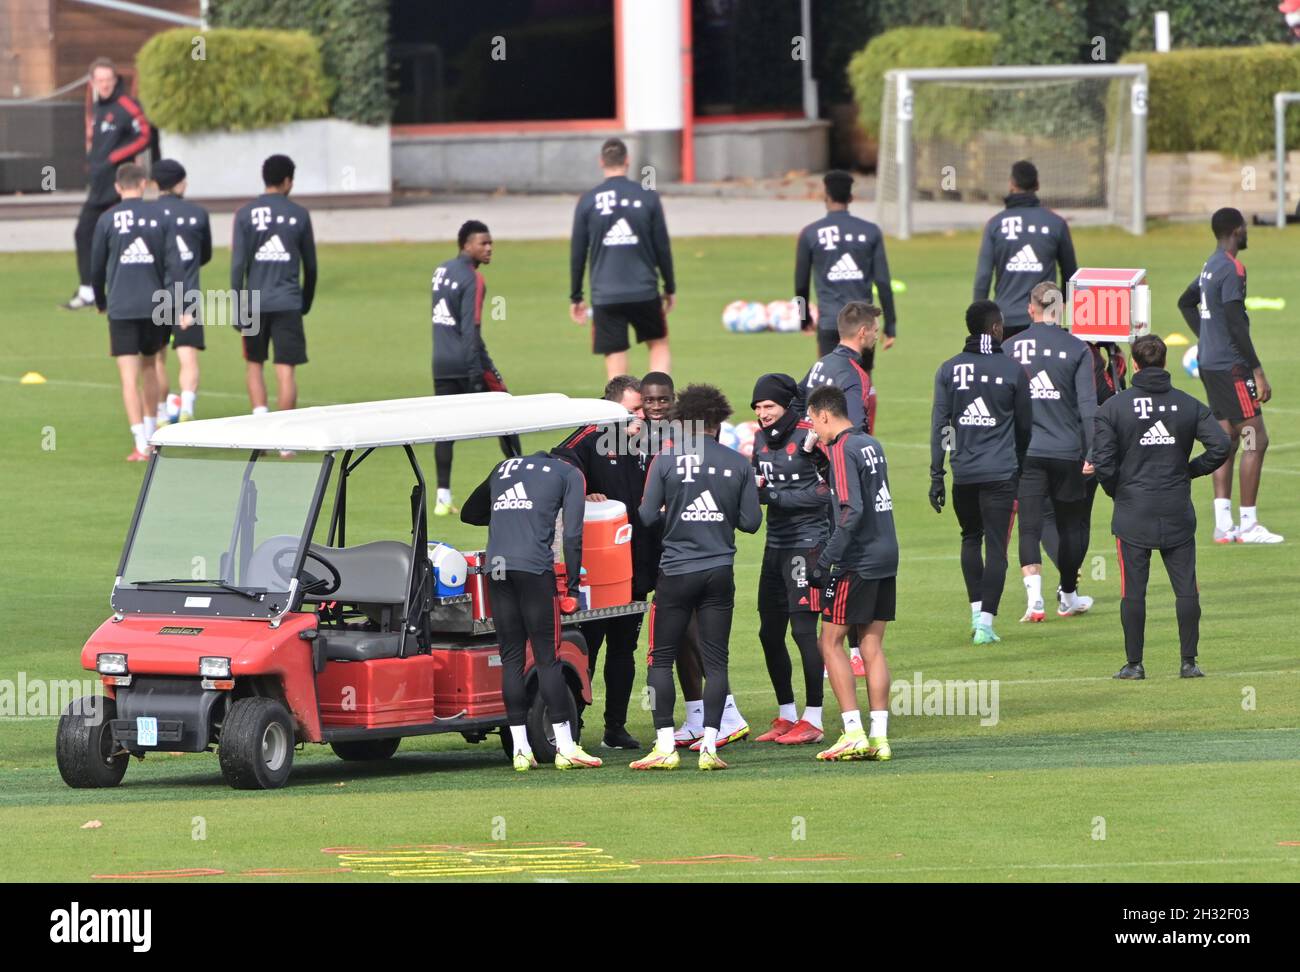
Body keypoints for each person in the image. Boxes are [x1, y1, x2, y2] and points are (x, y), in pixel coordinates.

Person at [632, 384, 762, 771]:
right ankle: (709, 746)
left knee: (661, 658)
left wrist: (676, 510)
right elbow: (752, 522)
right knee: (717, 661)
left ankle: (664, 746)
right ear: (719, 422)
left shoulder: (667, 461)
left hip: (676, 570)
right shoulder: (738, 462)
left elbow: (646, 516)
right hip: (719, 572)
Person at [1092, 336, 1231, 679]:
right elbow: (1222, 445)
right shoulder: (1188, 404)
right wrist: (1189, 471)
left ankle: (1135, 665)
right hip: (1176, 509)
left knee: (1133, 592)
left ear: (1135, 365)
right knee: (1186, 589)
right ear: (1166, 362)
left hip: (1132, 511)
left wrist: (1118, 491)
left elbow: (1103, 464)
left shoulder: (1113, 408)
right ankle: (1189, 663)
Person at [460, 452, 603, 770]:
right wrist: (573, 589)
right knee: (547, 657)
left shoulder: (503, 467)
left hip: (496, 570)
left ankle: (521, 750)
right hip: (534, 570)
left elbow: (469, 513)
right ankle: (566, 747)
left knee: (510, 657)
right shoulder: (570, 474)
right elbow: (573, 534)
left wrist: (511, 520)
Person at [552, 374, 649, 750]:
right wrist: (581, 489)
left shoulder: (647, 440)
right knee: (585, 647)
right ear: (610, 408)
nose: (641, 414)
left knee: (624, 651)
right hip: (596, 570)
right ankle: (571, 726)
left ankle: (615, 727)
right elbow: (558, 460)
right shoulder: (591, 435)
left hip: (633, 569)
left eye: (641, 408)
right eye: (633, 408)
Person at [929, 300, 1032, 645]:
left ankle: (975, 611)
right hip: (1001, 473)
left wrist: (937, 473)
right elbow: (1024, 427)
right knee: (997, 547)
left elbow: (942, 426)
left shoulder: (948, 370)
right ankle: (986, 623)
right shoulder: (1012, 370)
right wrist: (1016, 461)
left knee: (970, 538)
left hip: (964, 474)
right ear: (997, 329)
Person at [1176, 207, 1282, 544]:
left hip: (1211, 365)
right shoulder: (1232, 268)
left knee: (1227, 439)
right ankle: (1248, 525)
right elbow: (1236, 324)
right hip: (1233, 369)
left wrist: (1207, 338)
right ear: (1237, 231)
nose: (1248, 232)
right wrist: (1258, 371)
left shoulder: (1211, 264)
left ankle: (1224, 524)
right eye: (1245, 228)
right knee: (1256, 438)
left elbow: (1185, 302)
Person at [804, 384, 897, 762]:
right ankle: (880, 737)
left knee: (830, 642)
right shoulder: (870, 444)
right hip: (887, 553)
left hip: (856, 559)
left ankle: (852, 731)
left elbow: (851, 509)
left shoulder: (843, 447)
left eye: (813, 420)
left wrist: (827, 560)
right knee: (871, 646)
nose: (814, 428)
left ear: (825, 415)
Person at [750, 373, 832, 745]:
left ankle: (813, 719)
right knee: (769, 632)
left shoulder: (809, 436)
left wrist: (777, 499)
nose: (763, 413)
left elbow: (827, 493)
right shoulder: (758, 440)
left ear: (785, 405)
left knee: (803, 632)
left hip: (808, 543)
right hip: (776, 544)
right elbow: (762, 485)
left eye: (769, 406)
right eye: (758, 407)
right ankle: (786, 714)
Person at [1009, 282, 1098, 622]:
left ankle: (1035, 602)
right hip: (1067, 451)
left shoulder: (1010, 348)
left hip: (1026, 453)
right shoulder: (1077, 349)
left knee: (1029, 526)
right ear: (1060, 310)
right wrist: (1092, 449)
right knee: (1070, 525)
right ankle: (1069, 595)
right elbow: (1088, 405)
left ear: (1030, 308)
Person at [89, 162, 181, 461]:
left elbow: (96, 266)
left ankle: (140, 443)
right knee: (150, 368)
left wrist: (101, 301)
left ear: (118, 187)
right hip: (154, 305)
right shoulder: (161, 216)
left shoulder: (106, 219)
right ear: (144, 184)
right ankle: (153, 434)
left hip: (122, 306)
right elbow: (174, 265)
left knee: (128, 378)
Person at [430, 220, 521, 515]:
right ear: (466, 244)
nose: (489, 248)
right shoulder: (473, 279)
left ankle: (442, 498)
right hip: (469, 361)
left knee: (444, 429)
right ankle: (524, 477)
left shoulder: (441, 270)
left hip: (441, 363)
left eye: (490, 243)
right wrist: (475, 375)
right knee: (508, 415)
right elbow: (470, 330)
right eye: (483, 243)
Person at [569, 138, 676, 379]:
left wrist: (576, 296)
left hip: (605, 296)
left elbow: (578, 252)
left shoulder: (587, 201)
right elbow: (662, 247)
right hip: (644, 290)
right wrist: (669, 287)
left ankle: (621, 414)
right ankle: (660, 406)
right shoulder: (648, 196)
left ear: (601, 162)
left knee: (616, 360)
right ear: (628, 161)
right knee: (658, 345)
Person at [230, 154, 317, 427]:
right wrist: (305, 301)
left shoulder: (244, 214)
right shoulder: (299, 215)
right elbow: (311, 267)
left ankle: (260, 426)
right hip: (288, 301)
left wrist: (237, 306)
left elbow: (237, 267)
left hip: (255, 302)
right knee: (285, 369)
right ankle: (285, 438)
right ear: (288, 181)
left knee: (254, 364)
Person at [64, 58, 151, 312]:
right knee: (85, 234)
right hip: (99, 186)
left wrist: (116, 157)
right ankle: (88, 290)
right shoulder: (98, 108)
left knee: (125, 239)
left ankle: (131, 290)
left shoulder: (126, 105)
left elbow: (145, 134)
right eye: (99, 80)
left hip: (120, 185)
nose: (104, 84)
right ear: (92, 82)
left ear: (115, 80)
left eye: (108, 80)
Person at [794, 169, 897, 373]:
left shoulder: (810, 234)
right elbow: (883, 282)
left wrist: (803, 317)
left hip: (830, 322)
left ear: (826, 196)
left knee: (828, 385)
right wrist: (890, 324)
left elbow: (801, 284)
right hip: (862, 324)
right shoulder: (870, 231)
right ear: (851, 197)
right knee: (862, 385)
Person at [973, 160, 1079, 338]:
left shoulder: (996, 224)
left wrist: (979, 319)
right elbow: (1070, 273)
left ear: (1011, 184)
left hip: (1005, 320)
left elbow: (983, 277)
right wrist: (1062, 305)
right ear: (1037, 185)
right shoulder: (1056, 223)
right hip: (1046, 318)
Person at [149, 159, 211, 424]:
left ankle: (162, 413)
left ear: (155, 184)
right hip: (187, 293)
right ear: (178, 182)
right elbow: (204, 254)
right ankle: (186, 407)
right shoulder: (198, 214)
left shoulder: (147, 214)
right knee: (187, 355)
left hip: (156, 294)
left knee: (158, 359)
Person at [795, 300, 879, 435]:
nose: (876, 337)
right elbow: (855, 430)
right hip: (830, 452)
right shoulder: (854, 373)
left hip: (808, 448)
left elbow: (796, 401)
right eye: (875, 331)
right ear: (863, 332)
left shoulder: (821, 364)